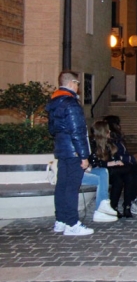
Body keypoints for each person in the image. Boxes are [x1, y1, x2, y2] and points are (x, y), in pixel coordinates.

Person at [46, 71, 94, 236]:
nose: (79, 86)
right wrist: (83, 155)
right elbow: (77, 131)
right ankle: (72, 223)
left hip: (62, 149)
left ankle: (61, 220)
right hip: (73, 151)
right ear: (72, 82)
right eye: (78, 83)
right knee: (72, 187)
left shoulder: (55, 101)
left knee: (62, 185)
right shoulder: (71, 103)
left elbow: (52, 129)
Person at [103, 115, 137, 213]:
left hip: (126, 163)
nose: (120, 126)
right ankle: (130, 200)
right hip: (119, 166)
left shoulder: (118, 138)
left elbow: (125, 153)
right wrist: (127, 158)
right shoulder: (110, 139)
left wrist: (129, 158)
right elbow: (115, 156)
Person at [91, 121, 137, 218]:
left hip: (113, 171)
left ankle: (126, 206)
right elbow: (94, 163)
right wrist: (111, 163)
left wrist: (116, 161)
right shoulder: (93, 144)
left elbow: (115, 157)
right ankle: (115, 207)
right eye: (107, 130)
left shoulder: (109, 143)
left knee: (125, 177)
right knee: (128, 171)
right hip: (102, 171)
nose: (109, 131)